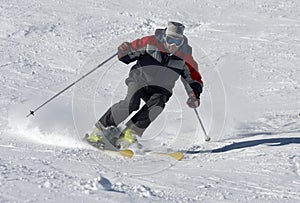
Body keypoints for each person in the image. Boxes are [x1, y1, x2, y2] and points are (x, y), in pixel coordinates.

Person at [87, 21, 203, 150]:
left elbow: (194, 78)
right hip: (140, 79)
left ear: (182, 42)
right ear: (164, 36)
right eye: (170, 40)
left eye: (177, 42)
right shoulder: (150, 42)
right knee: (131, 102)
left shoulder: (185, 56)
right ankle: (100, 130)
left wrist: (194, 95)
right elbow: (127, 56)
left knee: (157, 105)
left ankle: (128, 134)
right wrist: (124, 50)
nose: (173, 45)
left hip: (161, 88)